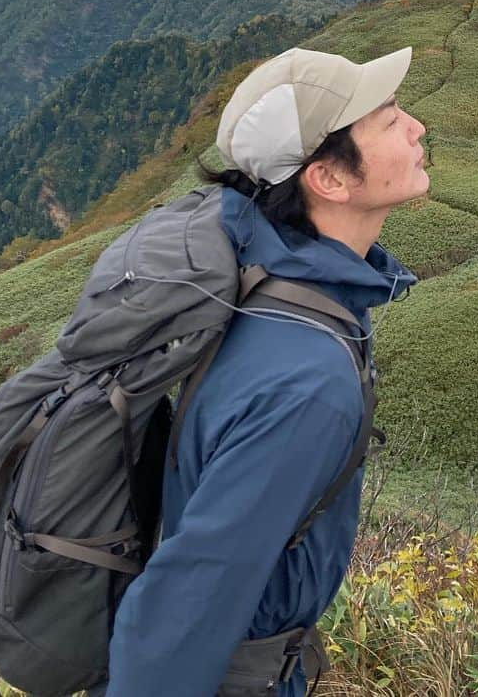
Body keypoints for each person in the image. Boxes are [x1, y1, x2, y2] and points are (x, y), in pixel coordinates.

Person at [102, 44, 424, 696]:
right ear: (329, 179)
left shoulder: (267, 280)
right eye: (389, 119)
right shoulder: (307, 382)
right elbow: (187, 598)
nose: (417, 126)